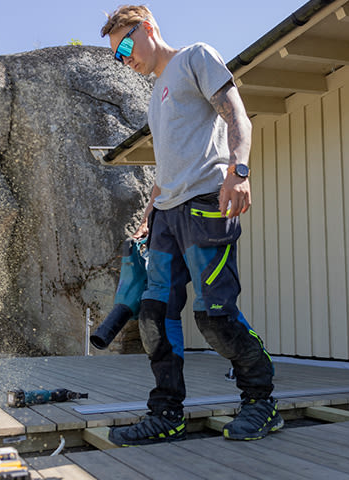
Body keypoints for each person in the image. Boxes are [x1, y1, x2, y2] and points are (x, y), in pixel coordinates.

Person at [100, 5, 281, 445]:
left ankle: (260, 401)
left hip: (205, 206)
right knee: (154, 315)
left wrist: (239, 171)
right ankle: (166, 413)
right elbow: (168, 166)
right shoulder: (155, 95)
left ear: (148, 29)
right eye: (117, 55)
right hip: (166, 216)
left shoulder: (195, 57)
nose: (125, 58)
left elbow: (237, 115)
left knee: (214, 317)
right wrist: (149, 211)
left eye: (126, 45)